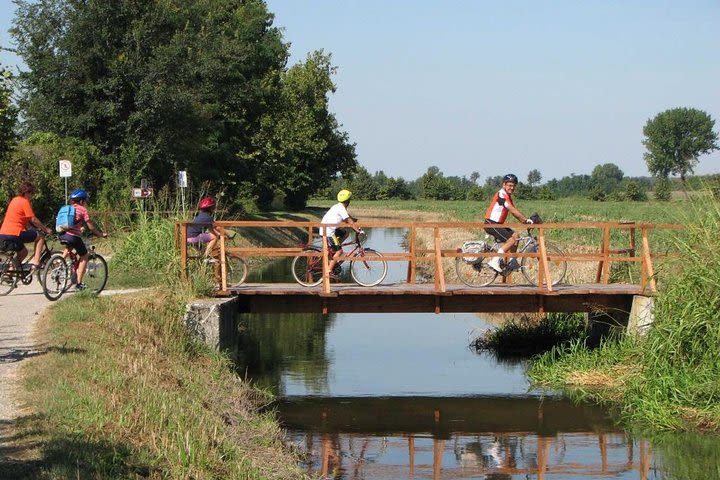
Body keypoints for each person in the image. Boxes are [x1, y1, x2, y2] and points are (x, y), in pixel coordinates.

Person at [58, 189, 108, 290]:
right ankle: (79, 283)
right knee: (84, 255)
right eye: (85, 201)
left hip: (62, 234)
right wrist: (100, 234)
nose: (85, 203)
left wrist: (80, 228)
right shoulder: (82, 209)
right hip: (73, 237)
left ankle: (59, 265)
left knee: (69, 247)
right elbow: (90, 227)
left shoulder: (67, 208)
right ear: (81, 201)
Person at [484, 174, 534, 273]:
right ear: (504, 185)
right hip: (491, 223)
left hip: (498, 224)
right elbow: (511, 209)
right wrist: (524, 220)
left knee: (516, 236)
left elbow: (514, 211)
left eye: (513, 185)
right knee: (511, 240)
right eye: (509, 185)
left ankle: (512, 260)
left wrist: (524, 221)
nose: (512, 187)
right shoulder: (501, 194)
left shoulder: (508, 196)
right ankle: (494, 261)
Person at [0, 182, 53, 269]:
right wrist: (45, 229)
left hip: (2, 234)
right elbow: (33, 219)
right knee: (41, 236)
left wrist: (32, 229)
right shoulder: (24, 201)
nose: (32, 196)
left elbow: (26, 222)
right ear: (27, 192)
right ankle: (36, 262)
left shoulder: (14, 200)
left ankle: (10, 271)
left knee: (24, 252)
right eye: (31, 193)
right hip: (15, 233)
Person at [320, 189, 361, 276]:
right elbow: (348, 220)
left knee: (346, 233)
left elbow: (347, 217)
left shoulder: (338, 206)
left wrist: (353, 220)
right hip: (328, 232)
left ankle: (334, 248)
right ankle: (329, 270)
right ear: (348, 201)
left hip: (327, 229)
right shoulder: (341, 208)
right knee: (340, 251)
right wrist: (358, 230)